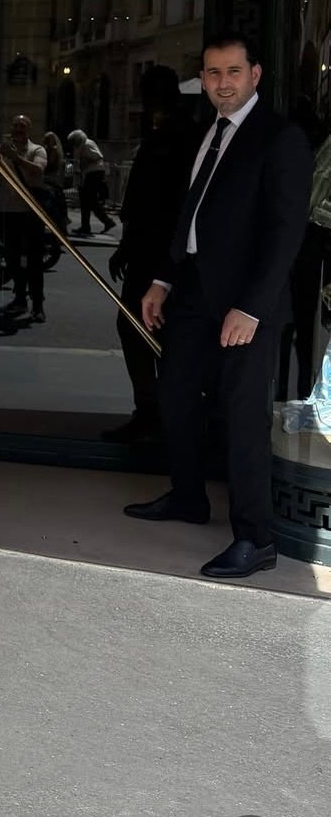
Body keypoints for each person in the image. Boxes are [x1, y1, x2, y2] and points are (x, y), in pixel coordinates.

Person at [125, 34, 312, 581]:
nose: (223, 83)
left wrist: (251, 308)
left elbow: (285, 232)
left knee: (242, 416)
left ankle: (256, 538)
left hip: (247, 304)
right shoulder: (203, 134)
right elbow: (188, 217)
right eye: (212, 73)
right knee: (175, 394)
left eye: (233, 71)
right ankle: (188, 497)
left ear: (255, 74)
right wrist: (162, 278)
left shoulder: (280, 138)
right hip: (192, 293)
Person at [104, 66, 195, 443]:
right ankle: (154, 411)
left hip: (162, 251)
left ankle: (158, 412)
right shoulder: (165, 134)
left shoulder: (178, 137)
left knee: (147, 330)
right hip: (148, 248)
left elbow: (164, 202)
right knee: (140, 329)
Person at [0, 115, 47, 324]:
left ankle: (37, 304)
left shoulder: (37, 150)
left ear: (29, 130)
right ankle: (19, 298)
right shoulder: (3, 150)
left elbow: (38, 169)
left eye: (22, 126)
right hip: (8, 211)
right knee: (12, 258)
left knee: (34, 260)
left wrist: (15, 158)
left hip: (30, 212)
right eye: (15, 125)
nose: (18, 129)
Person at [67, 128, 115, 235]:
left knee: (89, 200)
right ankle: (88, 225)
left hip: (93, 173)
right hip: (90, 173)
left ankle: (105, 221)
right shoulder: (83, 145)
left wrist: (85, 161)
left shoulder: (87, 144)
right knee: (87, 200)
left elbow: (97, 156)